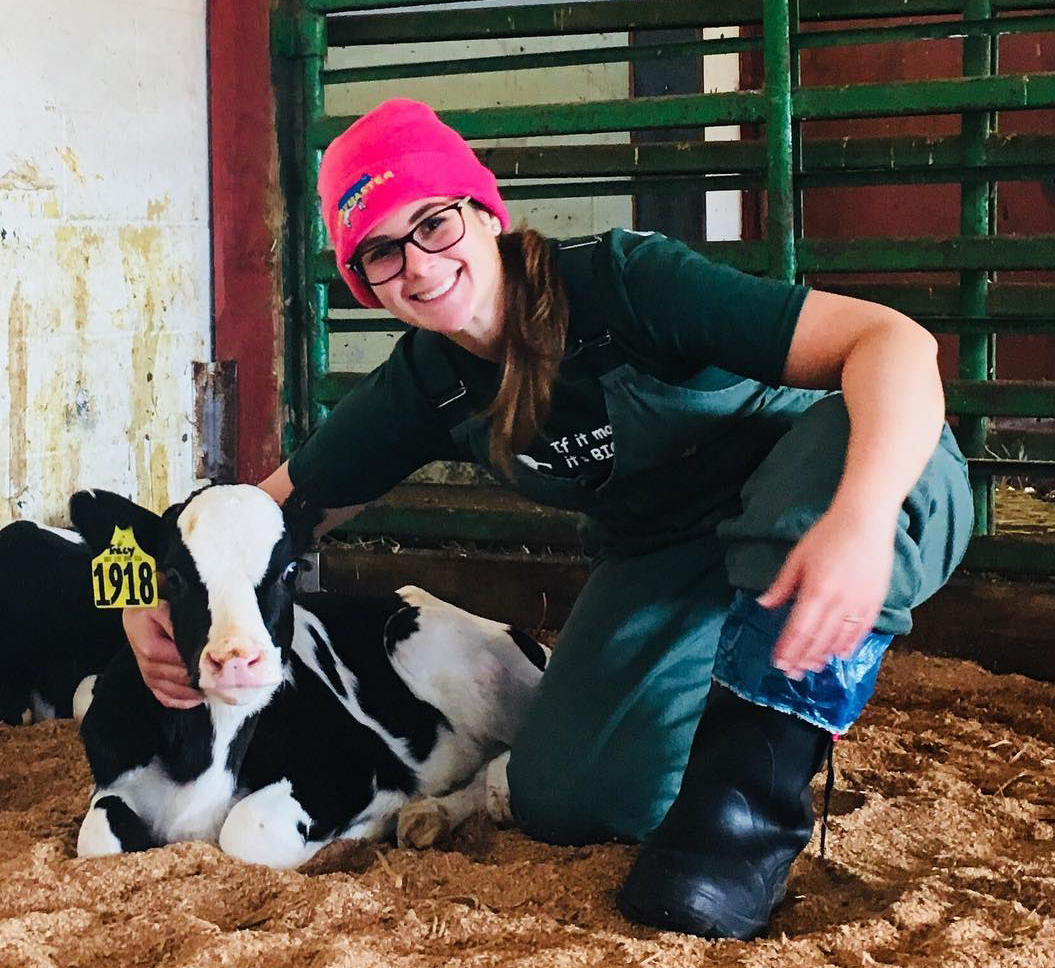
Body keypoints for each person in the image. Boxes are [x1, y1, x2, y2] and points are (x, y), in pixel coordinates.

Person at [123, 97, 973, 939]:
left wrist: (862, 515)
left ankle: (743, 828)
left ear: (484, 210)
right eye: (380, 252)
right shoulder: (429, 381)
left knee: (804, 499)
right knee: (566, 795)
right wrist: (135, 591)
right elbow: (255, 513)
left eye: (433, 225)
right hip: (673, 555)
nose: (417, 265)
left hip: (852, 483)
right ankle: (716, 722)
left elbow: (891, 343)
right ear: (364, 283)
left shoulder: (625, 283)